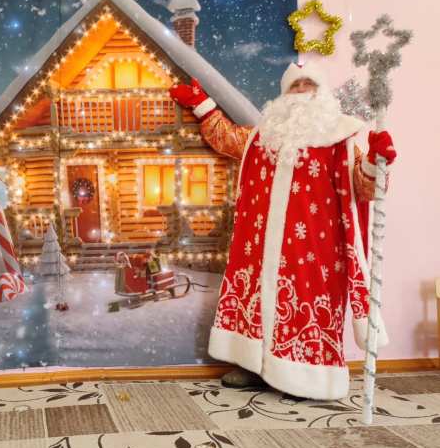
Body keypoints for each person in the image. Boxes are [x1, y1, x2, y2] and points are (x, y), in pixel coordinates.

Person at [169, 62, 396, 400]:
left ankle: (307, 377)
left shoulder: (341, 140)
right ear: (283, 94)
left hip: (314, 251)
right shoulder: (263, 136)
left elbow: (364, 190)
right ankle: (253, 367)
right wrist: (202, 104)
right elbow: (226, 138)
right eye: (295, 85)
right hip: (259, 247)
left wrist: (375, 162)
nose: (301, 90)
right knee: (257, 301)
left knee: (305, 308)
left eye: (308, 84)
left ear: (322, 92)